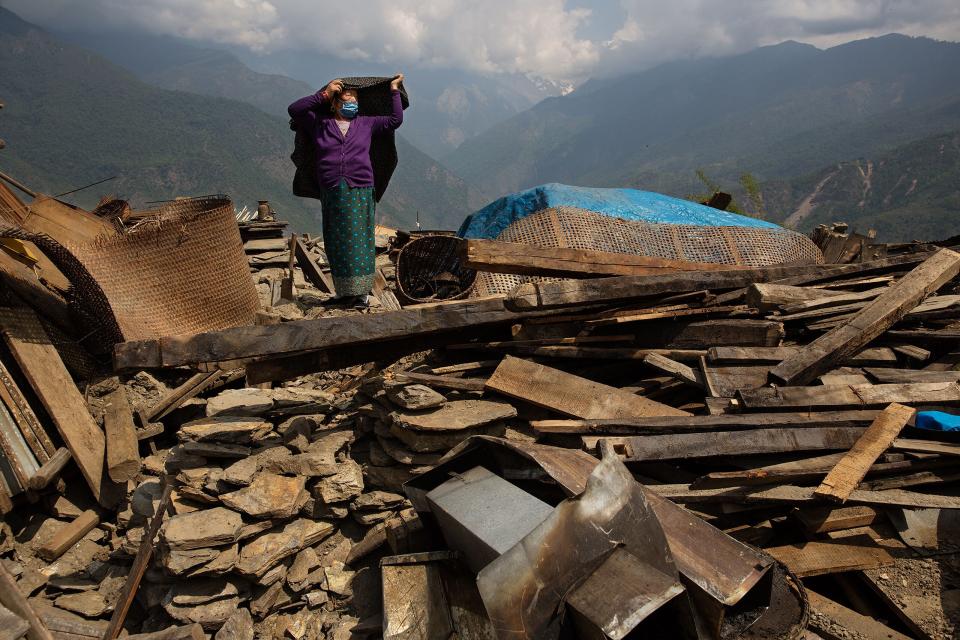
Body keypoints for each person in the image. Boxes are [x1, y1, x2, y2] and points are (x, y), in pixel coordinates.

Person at [287, 74, 404, 307]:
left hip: (360, 186)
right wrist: (324, 93)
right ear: (335, 104)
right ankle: (343, 292)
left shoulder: (366, 123)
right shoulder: (320, 123)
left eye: (355, 100)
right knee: (335, 238)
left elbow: (395, 120)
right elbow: (295, 110)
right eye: (346, 100)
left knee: (360, 238)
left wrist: (393, 91)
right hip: (331, 187)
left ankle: (361, 294)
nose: (352, 103)